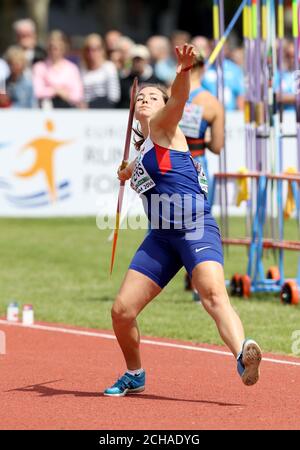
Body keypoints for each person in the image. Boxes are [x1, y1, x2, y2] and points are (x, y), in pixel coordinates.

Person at [104, 44, 262, 397]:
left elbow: (177, 100)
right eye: (139, 96)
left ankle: (242, 354)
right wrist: (126, 171)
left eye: (151, 96)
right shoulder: (143, 146)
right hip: (161, 237)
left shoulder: (165, 126)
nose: (143, 99)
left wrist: (183, 71)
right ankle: (135, 373)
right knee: (121, 312)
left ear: (163, 108)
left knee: (212, 295)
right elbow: (135, 168)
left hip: (193, 226)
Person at [179, 52, 225, 292]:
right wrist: (204, 140)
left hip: (170, 163)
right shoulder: (211, 102)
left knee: (162, 222)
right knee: (199, 225)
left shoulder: (169, 94)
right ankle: (200, 281)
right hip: (197, 164)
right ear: (203, 68)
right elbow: (217, 146)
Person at [32, 30, 83, 109]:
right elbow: (37, 92)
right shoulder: (39, 67)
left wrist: (66, 95)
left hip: (68, 108)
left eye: (57, 48)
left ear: (64, 48)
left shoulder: (72, 68)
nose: (54, 51)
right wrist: (56, 91)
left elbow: (77, 95)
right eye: (51, 47)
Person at [81, 33, 120, 108]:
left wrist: (91, 104)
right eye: (88, 49)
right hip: (84, 111)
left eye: (95, 49)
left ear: (102, 50)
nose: (91, 53)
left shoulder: (109, 67)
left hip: (103, 110)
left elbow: (114, 97)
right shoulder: (82, 68)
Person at [118, 44, 163, 109]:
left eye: (140, 60)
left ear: (146, 61)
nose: (137, 63)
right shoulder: (123, 82)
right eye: (135, 60)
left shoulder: (156, 82)